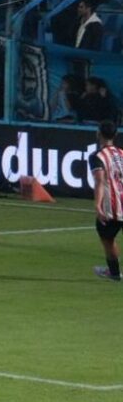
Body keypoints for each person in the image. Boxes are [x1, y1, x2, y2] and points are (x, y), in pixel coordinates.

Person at [91, 120, 123, 282]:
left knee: (108, 239)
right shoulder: (122, 153)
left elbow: (99, 181)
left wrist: (97, 205)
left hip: (111, 206)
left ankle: (114, 273)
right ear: (115, 134)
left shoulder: (97, 156)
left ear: (98, 134)